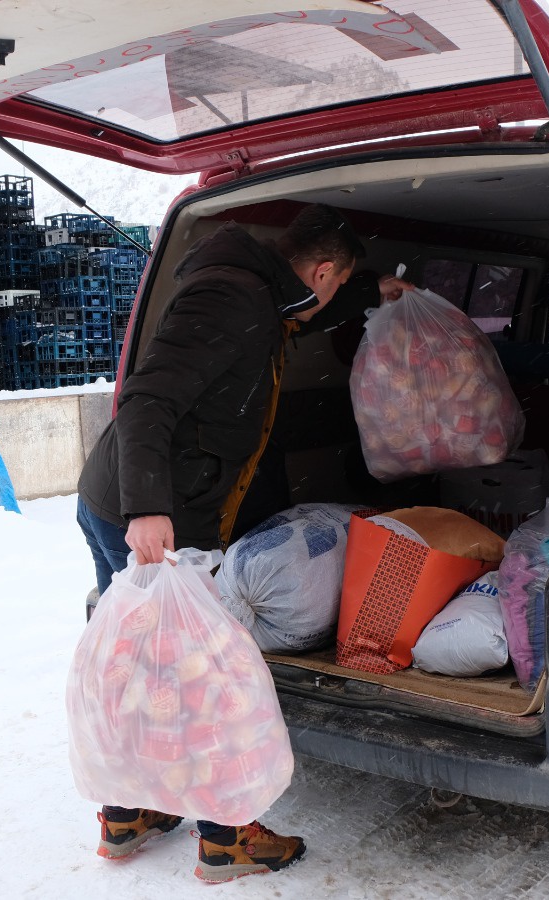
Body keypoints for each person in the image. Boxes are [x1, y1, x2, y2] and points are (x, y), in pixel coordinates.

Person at [75, 205, 411, 883]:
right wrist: (149, 509)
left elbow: (306, 310)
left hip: (133, 504)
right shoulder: (233, 298)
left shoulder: (259, 286)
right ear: (320, 270)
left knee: (143, 666)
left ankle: (129, 810)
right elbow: (147, 400)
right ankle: (227, 837)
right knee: (202, 676)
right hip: (152, 517)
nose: (324, 302)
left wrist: (371, 292)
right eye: (335, 284)